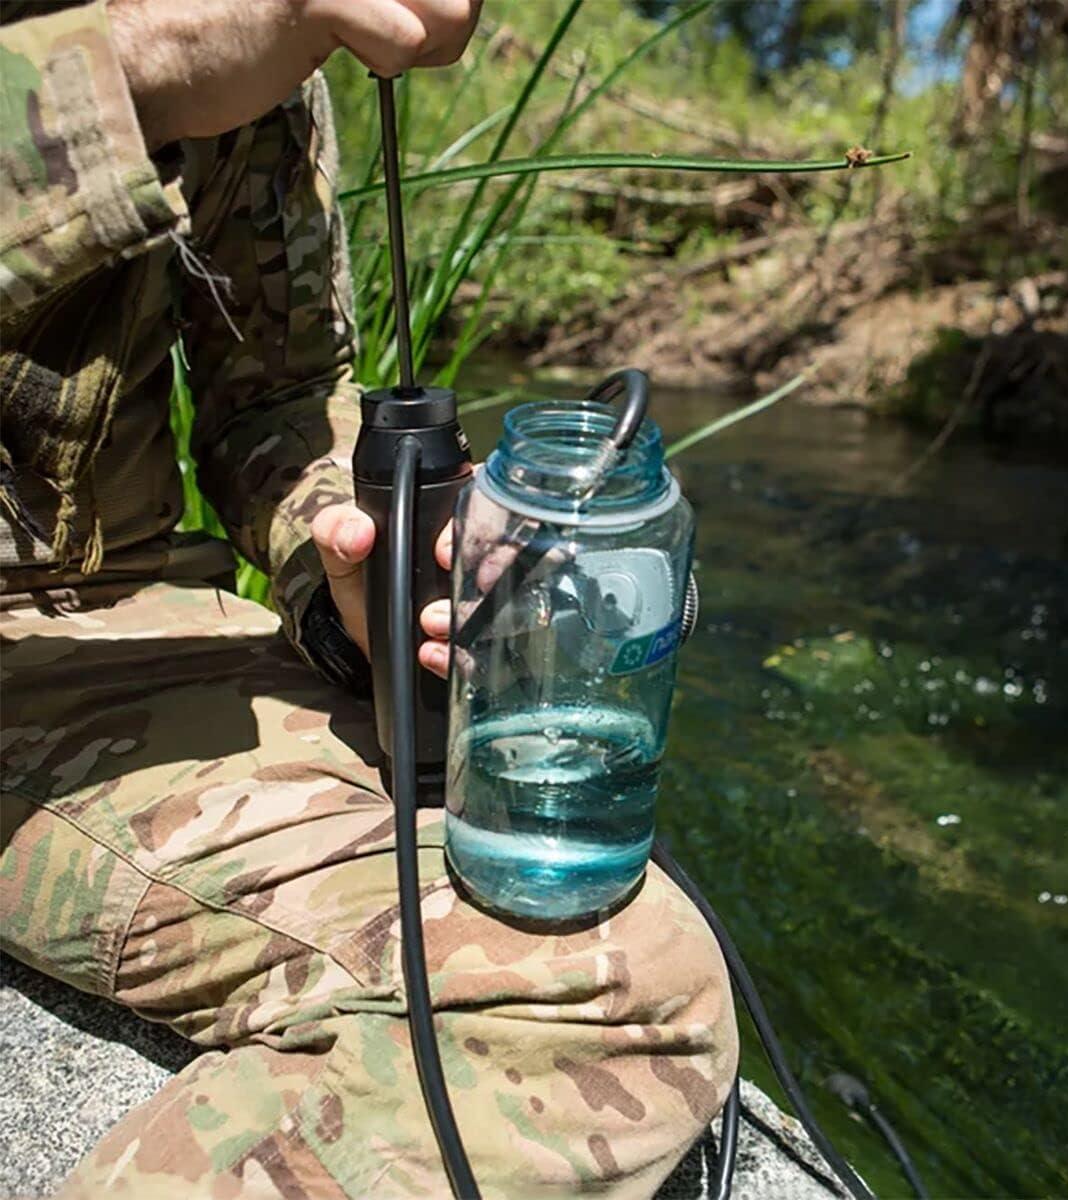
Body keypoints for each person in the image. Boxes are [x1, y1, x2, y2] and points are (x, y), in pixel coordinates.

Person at [0, 1, 738, 1196]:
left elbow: (277, 402)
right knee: (607, 1003)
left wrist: (347, 556)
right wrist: (135, 69)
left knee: (586, 928)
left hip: (148, 613)